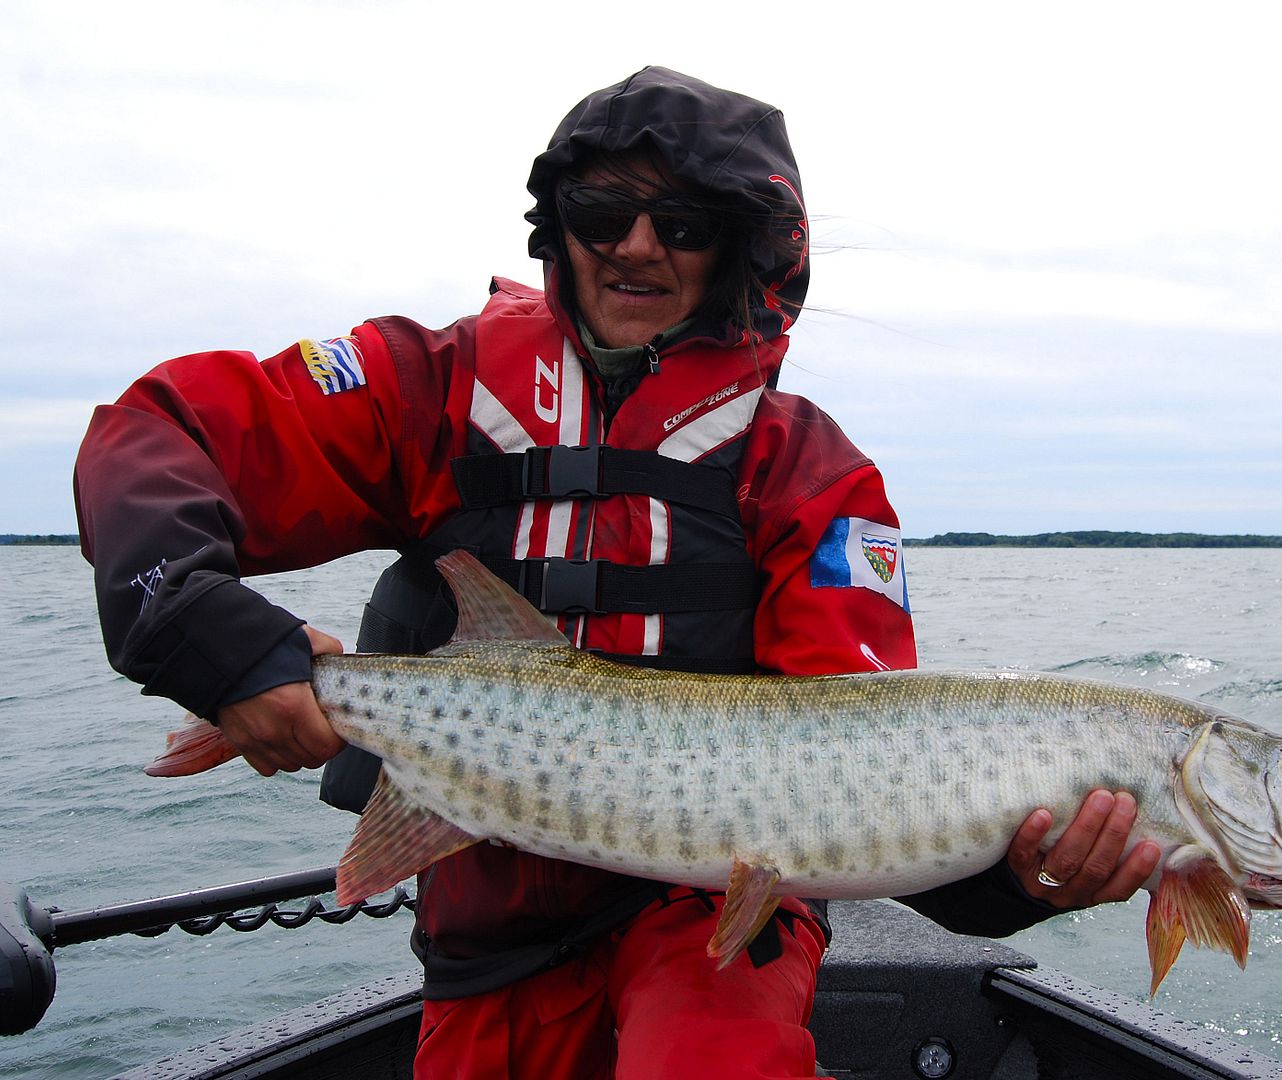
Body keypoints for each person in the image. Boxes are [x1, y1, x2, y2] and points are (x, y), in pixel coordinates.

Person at [75, 66, 1160, 1078]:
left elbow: (866, 797)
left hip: (715, 925)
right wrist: (213, 639)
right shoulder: (430, 387)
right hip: (489, 929)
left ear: (740, 248)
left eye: (682, 224)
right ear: (561, 227)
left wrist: (1023, 878)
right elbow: (158, 431)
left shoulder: (811, 475)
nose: (636, 247)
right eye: (602, 213)